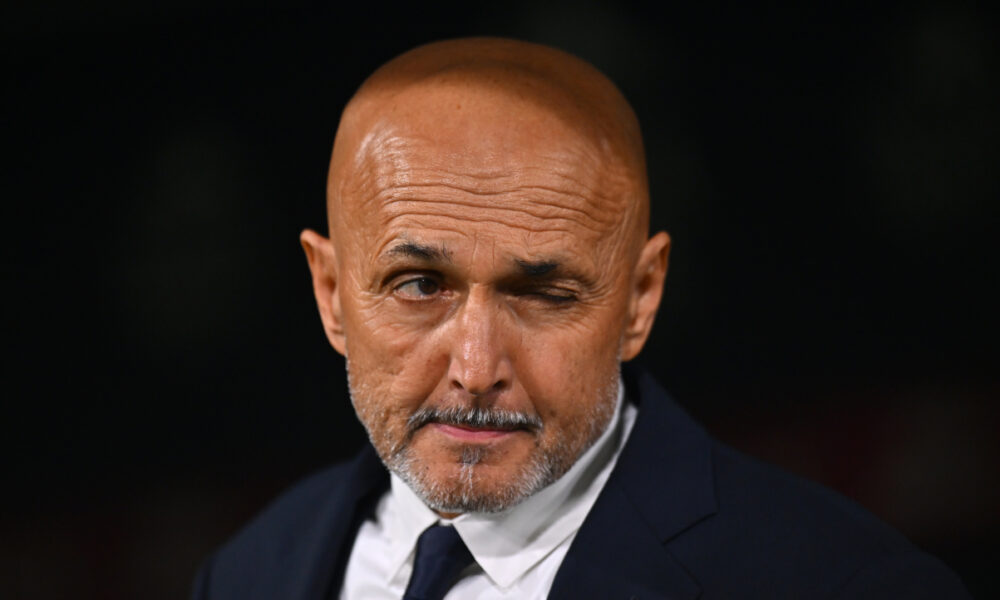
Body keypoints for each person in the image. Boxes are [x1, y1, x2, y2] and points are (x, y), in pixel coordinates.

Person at [192, 37, 969, 599]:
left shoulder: (842, 583)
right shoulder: (249, 574)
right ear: (331, 292)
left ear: (641, 298)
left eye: (543, 294)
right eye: (421, 285)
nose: (475, 368)